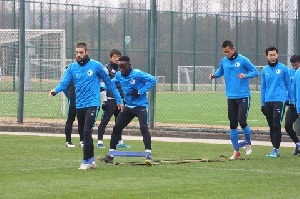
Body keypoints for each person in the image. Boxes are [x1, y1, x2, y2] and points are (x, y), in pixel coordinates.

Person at [49, 43, 124, 170]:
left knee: (86, 130)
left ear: (86, 52)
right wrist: (55, 90)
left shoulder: (96, 66)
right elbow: (64, 82)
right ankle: (91, 160)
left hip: (93, 103)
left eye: (81, 53)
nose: (78, 55)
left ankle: (85, 161)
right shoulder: (72, 68)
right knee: (84, 134)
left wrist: (119, 100)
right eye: (77, 52)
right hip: (80, 104)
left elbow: (109, 83)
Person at [98, 56, 157, 165]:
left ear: (129, 65)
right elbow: (112, 83)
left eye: (124, 67)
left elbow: (153, 80)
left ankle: (148, 155)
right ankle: (111, 155)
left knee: (144, 128)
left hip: (140, 106)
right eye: (120, 67)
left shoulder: (137, 74)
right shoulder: (119, 75)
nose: (121, 69)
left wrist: (140, 91)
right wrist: (102, 88)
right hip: (128, 107)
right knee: (116, 128)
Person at [209, 40, 259, 160]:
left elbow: (256, 72)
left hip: (243, 96)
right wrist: (214, 75)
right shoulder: (224, 61)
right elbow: (220, 71)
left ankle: (248, 143)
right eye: (224, 52)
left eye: (228, 51)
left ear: (233, 49)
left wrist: (245, 75)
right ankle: (236, 150)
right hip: (231, 96)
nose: (226, 54)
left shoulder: (242, 60)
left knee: (242, 120)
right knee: (232, 124)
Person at [261, 46, 293, 158]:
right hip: (268, 100)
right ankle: (273, 148)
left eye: (274, 54)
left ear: (277, 55)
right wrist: (262, 103)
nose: (273, 57)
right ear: (267, 56)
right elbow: (263, 88)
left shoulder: (283, 69)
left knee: (276, 124)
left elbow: (289, 85)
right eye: (270, 55)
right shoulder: (264, 70)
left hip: (280, 100)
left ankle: (276, 149)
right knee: (271, 125)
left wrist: (291, 99)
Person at [97, 49, 130, 149]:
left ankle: (119, 141)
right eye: (115, 57)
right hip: (110, 98)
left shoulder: (122, 69)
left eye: (118, 57)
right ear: (111, 58)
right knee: (105, 120)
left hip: (120, 99)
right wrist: (105, 99)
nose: (117, 59)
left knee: (119, 121)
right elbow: (103, 83)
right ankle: (99, 141)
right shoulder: (106, 68)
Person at [63, 80, 84, 148]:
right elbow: (63, 86)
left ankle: (82, 141)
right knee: (70, 119)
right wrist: (69, 95)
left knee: (81, 120)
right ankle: (68, 141)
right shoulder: (69, 72)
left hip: (82, 100)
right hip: (73, 99)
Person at [286, 54, 300, 155]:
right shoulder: (291, 72)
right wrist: (288, 99)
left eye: (296, 65)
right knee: (287, 125)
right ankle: (298, 144)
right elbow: (290, 87)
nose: (294, 67)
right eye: (293, 65)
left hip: (298, 105)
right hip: (293, 105)